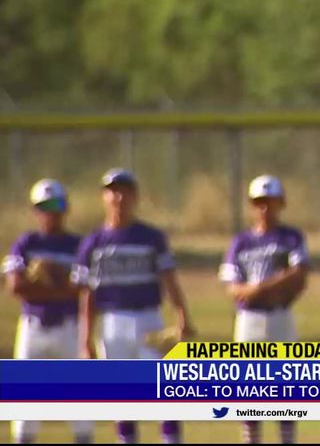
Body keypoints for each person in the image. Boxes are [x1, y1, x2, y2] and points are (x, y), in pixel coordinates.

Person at [73, 168, 195, 444]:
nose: (118, 197)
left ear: (135, 197)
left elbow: (170, 280)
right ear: (103, 197)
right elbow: (87, 296)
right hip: (113, 322)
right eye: (112, 191)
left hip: (148, 319)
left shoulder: (150, 237)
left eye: (124, 191)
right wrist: (85, 340)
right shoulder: (92, 243)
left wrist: (182, 316)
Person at [218, 174, 310, 444]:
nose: (265, 208)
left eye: (270, 202)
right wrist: (258, 290)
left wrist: (262, 287)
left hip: (280, 314)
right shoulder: (241, 242)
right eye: (259, 202)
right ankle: (251, 439)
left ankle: (287, 438)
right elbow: (232, 286)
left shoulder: (290, 237)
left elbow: (300, 273)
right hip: (250, 318)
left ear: (281, 203)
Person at [2, 179, 94, 444]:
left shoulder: (79, 244)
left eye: (57, 205)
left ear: (66, 208)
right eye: (44, 206)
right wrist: (61, 285)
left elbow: (83, 288)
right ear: (35, 210)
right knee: (24, 400)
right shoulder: (26, 243)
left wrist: (45, 282)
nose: (51, 212)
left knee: (81, 400)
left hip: (70, 329)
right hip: (34, 328)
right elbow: (16, 287)